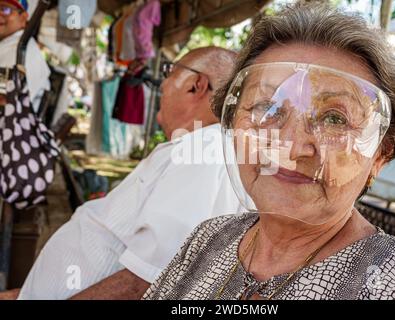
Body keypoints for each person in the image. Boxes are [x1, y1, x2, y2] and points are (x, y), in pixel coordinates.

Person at [142, 3, 395, 300]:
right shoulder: (209, 239)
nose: (292, 146)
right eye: (267, 107)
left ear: (380, 155)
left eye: (334, 119)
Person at [14, 46, 240, 300]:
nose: (161, 85)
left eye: (169, 72)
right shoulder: (200, 147)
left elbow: (147, 281)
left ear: (195, 85)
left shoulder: (202, 149)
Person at [0, 0, 50, 112]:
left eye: (5, 9)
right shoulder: (6, 45)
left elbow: (6, 102)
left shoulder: (23, 52)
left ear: (23, 18)